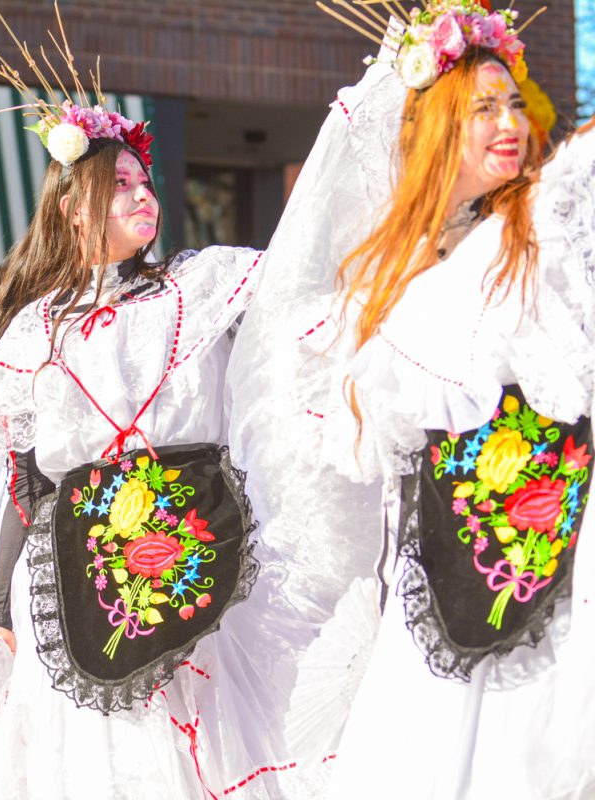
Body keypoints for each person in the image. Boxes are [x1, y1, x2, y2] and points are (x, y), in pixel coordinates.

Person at [0, 8, 349, 797]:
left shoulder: (201, 285)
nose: (144, 198)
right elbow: (23, 489)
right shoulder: (34, 331)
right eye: (122, 188)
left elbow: (307, 275)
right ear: (74, 206)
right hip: (77, 592)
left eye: (148, 184)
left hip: (197, 567)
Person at [228, 3, 595, 797]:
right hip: (436, 576)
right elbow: (367, 459)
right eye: (481, 110)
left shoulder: (543, 235)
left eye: (512, 106)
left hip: (559, 554)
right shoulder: (379, 278)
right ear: (434, 133)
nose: (510, 125)